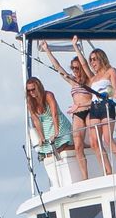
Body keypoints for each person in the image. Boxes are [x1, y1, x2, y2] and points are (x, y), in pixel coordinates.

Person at [37, 41, 93, 182]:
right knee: (78, 145)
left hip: (90, 111)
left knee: (94, 142)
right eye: (73, 69)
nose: (75, 71)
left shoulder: (91, 81)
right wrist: (47, 50)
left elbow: (96, 99)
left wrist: (75, 46)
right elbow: (58, 68)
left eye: (77, 68)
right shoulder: (73, 81)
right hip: (77, 115)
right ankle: (85, 177)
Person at [83, 46, 116, 175]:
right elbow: (83, 64)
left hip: (106, 106)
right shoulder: (93, 78)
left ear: (101, 59)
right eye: (91, 60)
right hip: (94, 108)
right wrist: (75, 47)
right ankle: (107, 171)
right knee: (95, 142)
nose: (92, 63)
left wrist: (113, 94)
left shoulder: (111, 71)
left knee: (107, 139)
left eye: (94, 59)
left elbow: (114, 89)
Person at [25, 77, 75, 168]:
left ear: (39, 87)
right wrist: (41, 137)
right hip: (46, 127)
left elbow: (54, 114)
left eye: (33, 89)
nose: (31, 92)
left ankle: (80, 146)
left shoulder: (48, 95)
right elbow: (36, 120)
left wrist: (56, 132)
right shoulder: (30, 102)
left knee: (60, 149)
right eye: (29, 90)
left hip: (59, 123)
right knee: (48, 153)